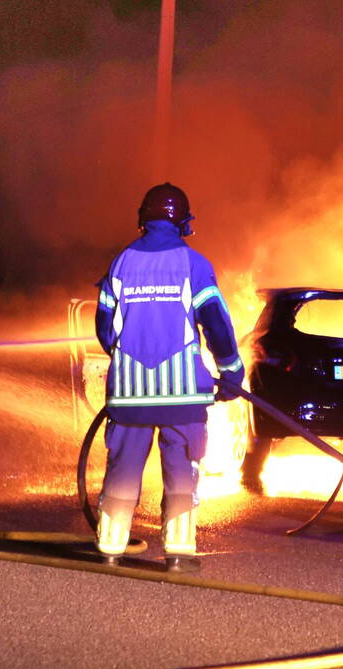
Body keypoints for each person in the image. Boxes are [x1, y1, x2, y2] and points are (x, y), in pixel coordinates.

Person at [93, 183, 244, 572]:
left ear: (144, 218)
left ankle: (111, 546)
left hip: (129, 393)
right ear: (183, 221)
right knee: (181, 469)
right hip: (183, 394)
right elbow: (216, 323)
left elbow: (105, 327)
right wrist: (230, 370)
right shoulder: (194, 264)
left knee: (123, 466)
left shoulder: (121, 262)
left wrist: (125, 358)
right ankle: (178, 552)